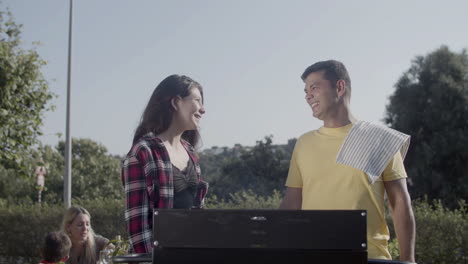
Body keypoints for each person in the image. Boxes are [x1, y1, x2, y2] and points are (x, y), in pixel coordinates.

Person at [280, 60, 416, 262]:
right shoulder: (304, 143)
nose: (308, 96)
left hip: (370, 258)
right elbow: (292, 203)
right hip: (313, 256)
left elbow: (399, 203)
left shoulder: (379, 138)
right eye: (306, 91)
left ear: (340, 87)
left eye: (314, 88)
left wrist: (408, 261)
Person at [122, 74, 209, 253]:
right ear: (176, 102)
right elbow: (138, 231)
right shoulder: (142, 152)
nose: (203, 109)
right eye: (197, 101)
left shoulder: (191, 153)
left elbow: (198, 219)